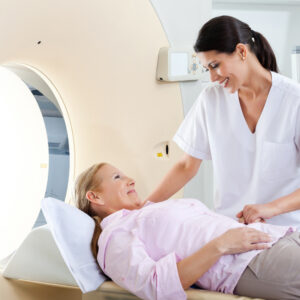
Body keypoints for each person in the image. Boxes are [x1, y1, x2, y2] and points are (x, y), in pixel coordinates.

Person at [146, 15, 300, 228]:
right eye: (207, 69)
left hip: (284, 230)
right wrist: (143, 208)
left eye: (215, 65)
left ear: (241, 51)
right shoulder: (211, 99)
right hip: (230, 230)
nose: (212, 78)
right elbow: (186, 166)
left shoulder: (294, 100)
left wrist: (270, 208)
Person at [75, 162, 300, 300]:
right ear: (95, 196)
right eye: (118, 177)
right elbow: (156, 286)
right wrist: (221, 245)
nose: (131, 180)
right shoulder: (114, 237)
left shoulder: (145, 212)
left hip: (276, 235)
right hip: (247, 262)